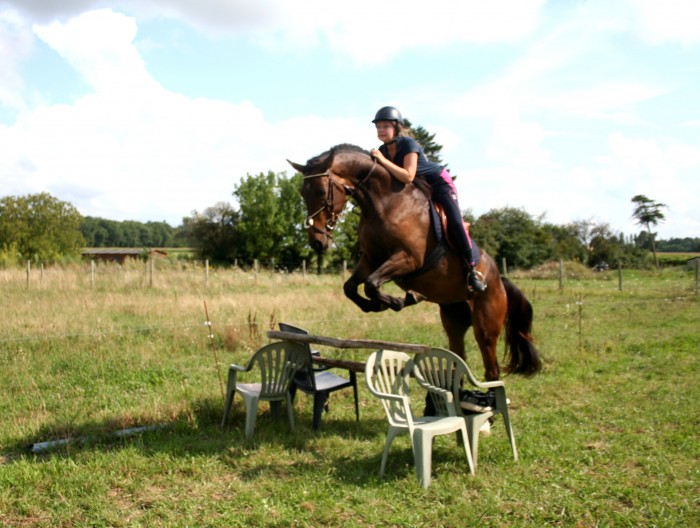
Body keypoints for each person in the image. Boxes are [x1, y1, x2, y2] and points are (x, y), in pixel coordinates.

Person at [369, 106, 486, 292]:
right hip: (419, 189)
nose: (381, 130)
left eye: (385, 126)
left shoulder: (408, 145)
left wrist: (382, 161)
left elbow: (408, 175)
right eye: (378, 127)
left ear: (396, 128)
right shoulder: (383, 149)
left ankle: (472, 269)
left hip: (439, 185)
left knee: (454, 222)